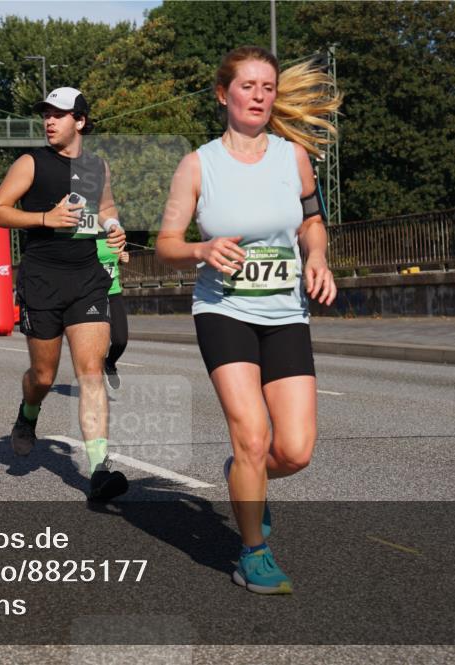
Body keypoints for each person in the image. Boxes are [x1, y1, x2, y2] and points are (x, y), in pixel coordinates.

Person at [155, 46, 340, 594]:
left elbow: (312, 222)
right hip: (224, 310)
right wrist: (201, 249)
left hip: (285, 312)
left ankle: (243, 476)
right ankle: (252, 552)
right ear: (223, 94)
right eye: (247, 86)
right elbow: (165, 244)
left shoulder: (294, 158)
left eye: (267, 87)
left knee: (295, 450)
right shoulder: (198, 165)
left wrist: (318, 256)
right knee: (253, 436)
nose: (259, 96)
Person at [0, 87, 129, 502]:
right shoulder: (31, 162)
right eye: (46, 114)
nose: (49, 121)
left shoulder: (96, 165)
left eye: (59, 114)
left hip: (86, 276)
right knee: (44, 376)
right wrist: (44, 218)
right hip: (43, 279)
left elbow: (105, 208)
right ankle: (28, 414)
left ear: (80, 122)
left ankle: (100, 469)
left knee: (90, 371)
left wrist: (114, 228)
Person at [98, 242, 129, 390]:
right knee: (97, 344)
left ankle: (109, 363)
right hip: (91, 295)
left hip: (113, 292)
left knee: (120, 340)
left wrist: (123, 258)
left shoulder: (113, 232)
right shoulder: (84, 232)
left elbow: (116, 259)